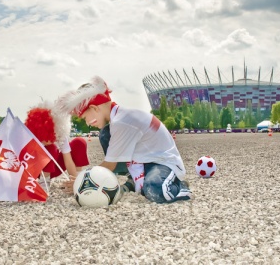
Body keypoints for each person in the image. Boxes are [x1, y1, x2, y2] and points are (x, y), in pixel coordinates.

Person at [57, 76, 192, 203]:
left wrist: (82, 182)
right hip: (144, 161)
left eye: (85, 117)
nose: (87, 123)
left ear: (94, 108)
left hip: (163, 163)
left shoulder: (122, 122)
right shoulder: (117, 119)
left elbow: (109, 165)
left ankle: (179, 185)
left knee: (155, 189)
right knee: (105, 134)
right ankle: (133, 179)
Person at [24, 103, 89, 193]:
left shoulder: (59, 134)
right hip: (36, 170)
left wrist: (75, 183)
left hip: (54, 168)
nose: (51, 139)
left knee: (79, 142)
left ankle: (77, 178)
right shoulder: (30, 138)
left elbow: (68, 161)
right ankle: (44, 183)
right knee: (50, 147)